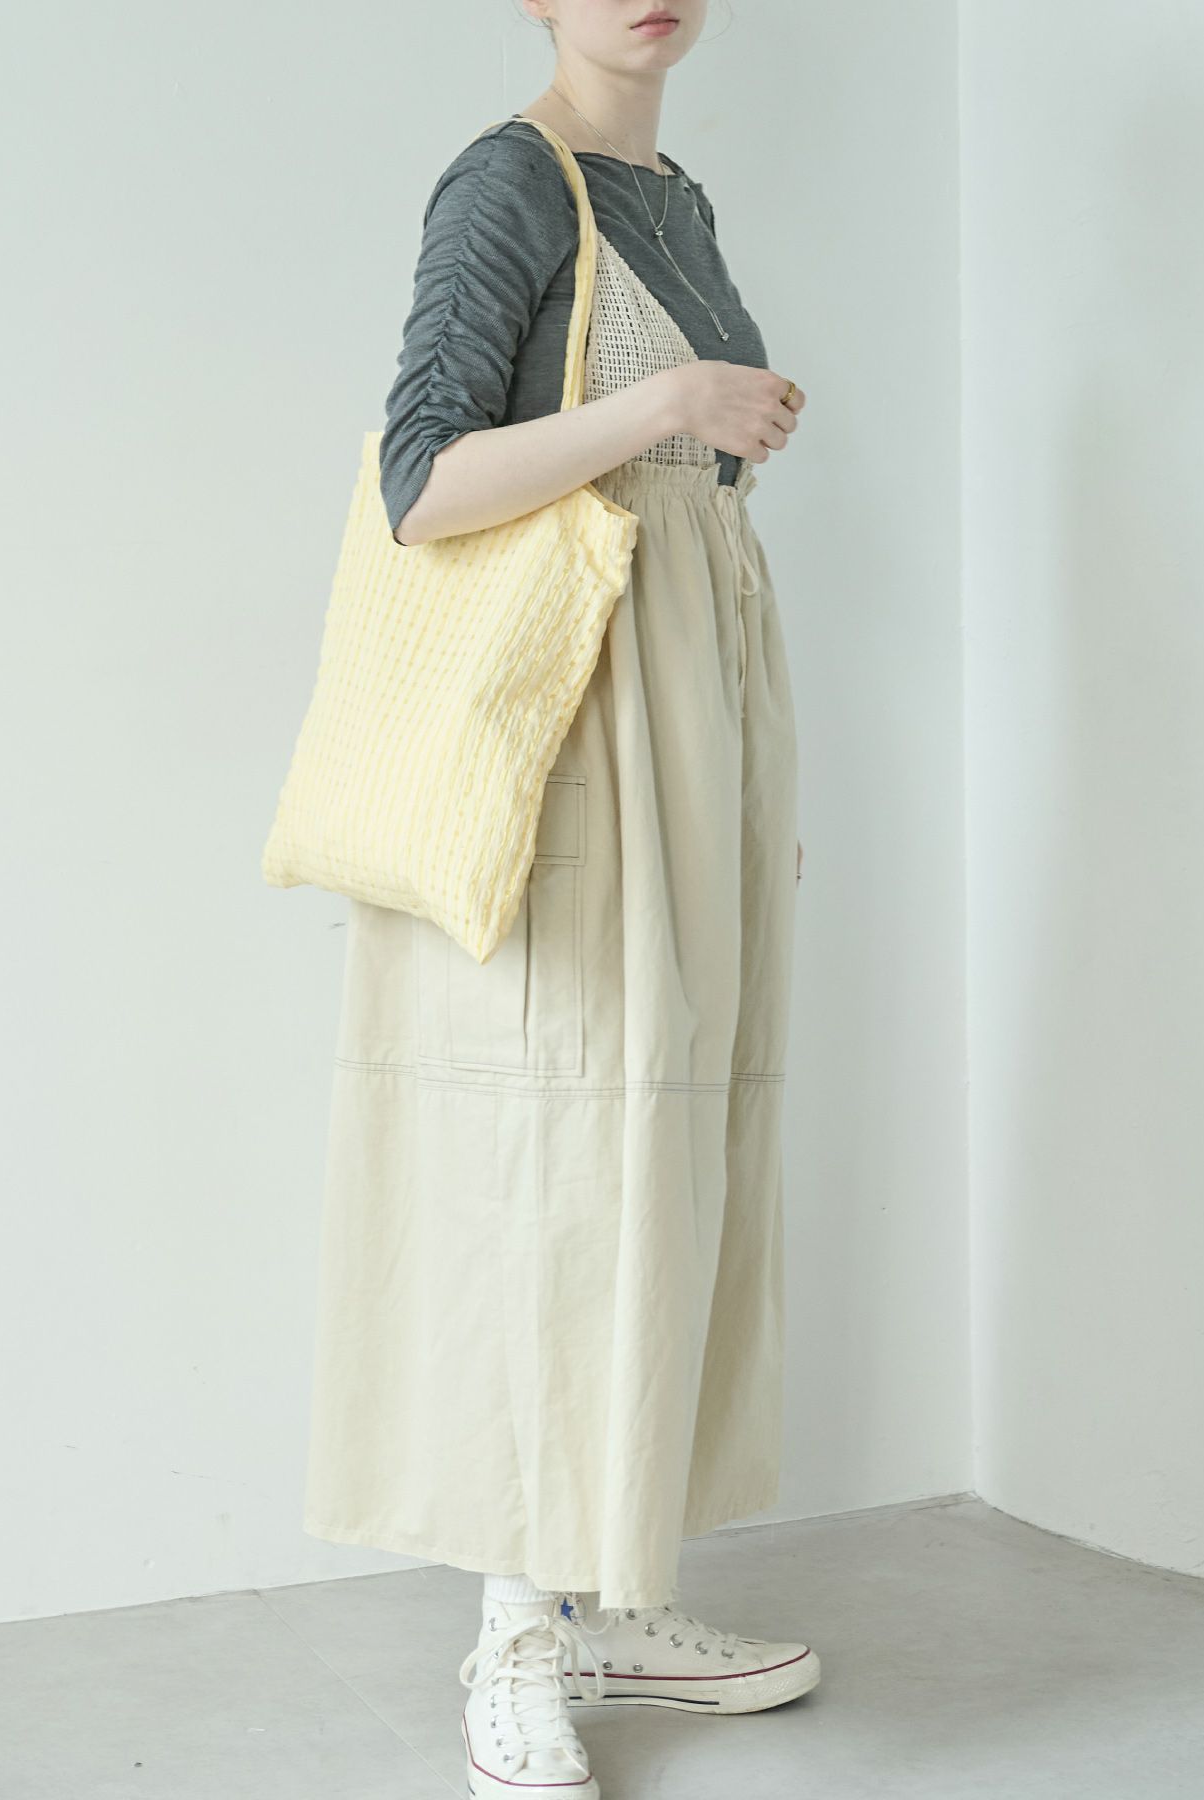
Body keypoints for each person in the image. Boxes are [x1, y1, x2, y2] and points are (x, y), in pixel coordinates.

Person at [300, 4, 812, 1793]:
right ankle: (515, 1630)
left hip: (693, 727)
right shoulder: (507, 184)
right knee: (551, 1160)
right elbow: (423, 482)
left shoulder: (676, 194)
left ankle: (607, 1597)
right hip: (572, 735)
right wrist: (670, 403)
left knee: (661, 1154)